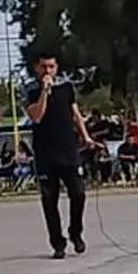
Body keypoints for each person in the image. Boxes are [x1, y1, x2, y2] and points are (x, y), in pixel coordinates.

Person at [24, 52, 96, 259]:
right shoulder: (30, 90)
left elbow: (76, 114)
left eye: (51, 67)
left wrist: (86, 136)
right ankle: (58, 243)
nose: (47, 71)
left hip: (68, 149)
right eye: (43, 67)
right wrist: (44, 92)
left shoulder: (66, 87)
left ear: (56, 68)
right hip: (45, 152)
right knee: (49, 200)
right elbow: (36, 116)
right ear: (37, 68)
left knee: (78, 193)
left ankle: (76, 232)